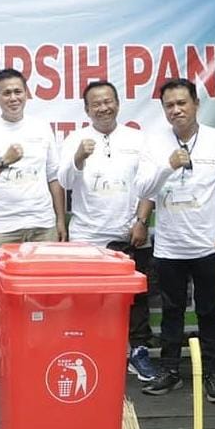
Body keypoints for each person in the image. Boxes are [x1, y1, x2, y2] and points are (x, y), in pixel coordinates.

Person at [135, 78, 215, 402]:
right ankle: (170, 371)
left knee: (208, 312)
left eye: (182, 103)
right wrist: (168, 165)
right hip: (168, 247)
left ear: (196, 104)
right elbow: (142, 187)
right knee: (171, 312)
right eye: (169, 105)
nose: (176, 110)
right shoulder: (154, 142)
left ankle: (214, 376)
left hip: (207, 246)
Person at [57, 80, 156, 382]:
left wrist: (141, 222)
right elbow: (63, 181)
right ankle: (91, 352)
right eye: (96, 103)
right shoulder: (76, 138)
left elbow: (149, 185)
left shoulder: (138, 139)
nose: (104, 107)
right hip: (88, 237)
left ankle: (138, 352)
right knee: (87, 300)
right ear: (87, 109)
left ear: (117, 103)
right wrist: (78, 158)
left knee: (135, 299)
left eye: (108, 101)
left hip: (128, 235)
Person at [0, 68, 66, 380]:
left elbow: (54, 176)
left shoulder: (42, 128)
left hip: (41, 223)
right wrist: (3, 161)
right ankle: (0, 351)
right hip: (1, 227)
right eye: (6, 93)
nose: (13, 98)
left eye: (18, 91)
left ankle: (43, 346)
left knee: (46, 291)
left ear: (27, 94)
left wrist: (60, 219)